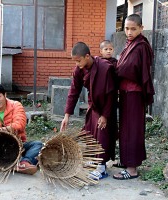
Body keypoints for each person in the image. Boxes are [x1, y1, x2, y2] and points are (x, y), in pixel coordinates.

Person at [60, 42, 117, 180]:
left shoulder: (105, 68)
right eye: (75, 61)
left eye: (79, 60)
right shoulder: (79, 69)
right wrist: (66, 116)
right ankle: (94, 160)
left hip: (106, 107)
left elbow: (111, 94)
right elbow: (74, 92)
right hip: (94, 105)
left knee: (102, 135)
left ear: (87, 56)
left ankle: (102, 167)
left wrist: (105, 115)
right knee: (91, 133)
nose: (77, 64)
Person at [113, 14, 155, 180]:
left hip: (134, 94)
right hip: (125, 93)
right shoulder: (130, 44)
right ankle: (126, 161)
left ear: (141, 28)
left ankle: (132, 170)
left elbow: (135, 69)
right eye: (126, 29)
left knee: (132, 130)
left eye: (133, 29)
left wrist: (117, 70)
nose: (129, 32)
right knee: (125, 129)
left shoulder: (142, 46)